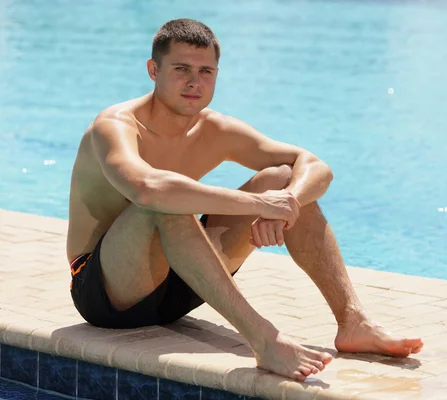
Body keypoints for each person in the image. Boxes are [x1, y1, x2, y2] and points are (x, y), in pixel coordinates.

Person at [66, 18, 423, 382]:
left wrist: (286, 203)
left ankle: (353, 322)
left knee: (282, 177)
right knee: (165, 200)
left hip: (182, 284)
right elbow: (148, 188)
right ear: (153, 70)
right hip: (108, 292)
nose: (194, 82)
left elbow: (315, 166)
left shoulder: (215, 129)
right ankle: (264, 339)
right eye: (181, 69)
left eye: (206, 71)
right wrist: (258, 206)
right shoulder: (114, 126)